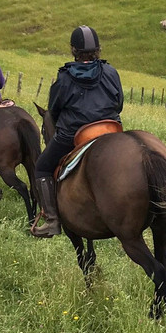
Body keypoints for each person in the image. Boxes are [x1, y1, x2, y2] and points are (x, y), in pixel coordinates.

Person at [32, 25, 123, 236]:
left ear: (73, 50)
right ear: (98, 49)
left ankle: (53, 221)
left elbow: (53, 111)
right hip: (110, 130)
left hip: (74, 135)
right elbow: (118, 104)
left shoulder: (64, 77)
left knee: (42, 167)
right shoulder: (110, 71)